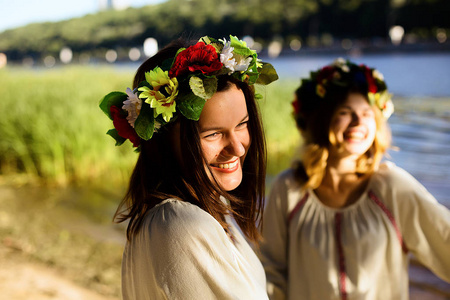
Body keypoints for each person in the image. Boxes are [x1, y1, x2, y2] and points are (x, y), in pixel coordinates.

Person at [99, 35, 278, 299]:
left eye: (242, 124)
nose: (238, 149)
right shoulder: (179, 225)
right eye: (213, 134)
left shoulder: (212, 204)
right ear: (164, 141)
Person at [259, 58, 450, 300]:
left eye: (366, 114)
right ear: (321, 121)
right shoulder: (289, 189)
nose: (358, 122)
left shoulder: (392, 187)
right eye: (345, 113)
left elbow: (445, 240)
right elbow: (271, 271)